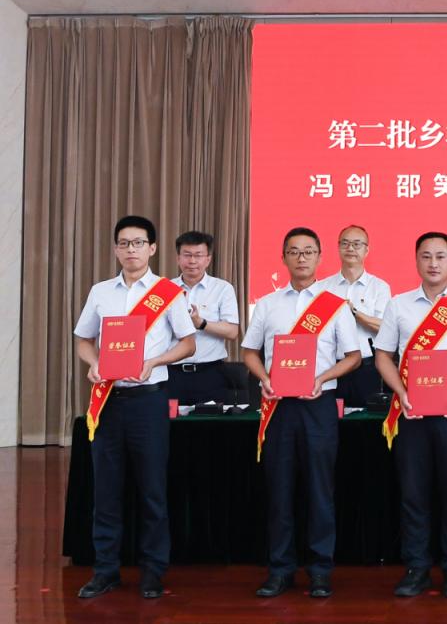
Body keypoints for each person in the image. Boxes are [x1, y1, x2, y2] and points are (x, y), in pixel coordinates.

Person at [73, 215, 197, 600]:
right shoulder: (100, 292)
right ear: (115, 249)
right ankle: (105, 570)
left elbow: (188, 343)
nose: (131, 250)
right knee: (106, 490)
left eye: (139, 243)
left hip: (148, 402)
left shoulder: (167, 293)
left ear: (152, 248)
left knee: (152, 490)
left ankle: (153, 572)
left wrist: (154, 361)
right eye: (124, 243)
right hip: (109, 401)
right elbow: (83, 340)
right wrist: (94, 363)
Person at [241, 227, 362, 599]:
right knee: (279, 490)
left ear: (320, 257)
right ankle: (280, 570)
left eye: (308, 251)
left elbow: (354, 357)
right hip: (279, 406)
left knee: (319, 490)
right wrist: (264, 378)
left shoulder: (334, 305)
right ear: (283, 258)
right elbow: (249, 352)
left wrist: (323, 378)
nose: (301, 258)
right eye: (294, 251)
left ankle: (320, 570)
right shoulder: (268, 305)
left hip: (318, 405)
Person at [375, 232, 447, 598]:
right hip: (411, 410)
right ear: (416, 260)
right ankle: (417, 566)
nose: (433, 263)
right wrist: (401, 392)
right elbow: (383, 356)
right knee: (414, 492)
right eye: (426, 256)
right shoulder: (398, 305)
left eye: (440, 256)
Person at [168, 231, 240, 406]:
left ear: (208, 259)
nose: (192, 261)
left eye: (198, 255)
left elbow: (232, 332)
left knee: (211, 423)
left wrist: (201, 323)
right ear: (178, 258)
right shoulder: (164, 289)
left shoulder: (222, 288)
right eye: (187, 255)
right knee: (170, 422)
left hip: (210, 374)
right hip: (171, 374)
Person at [324, 225, 392, 407]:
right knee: (332, 418)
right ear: (338, 247)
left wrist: (354, 313)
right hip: (332, 367)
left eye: (357, 244)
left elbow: (385, 327)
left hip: (367, 368)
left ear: (366, 250)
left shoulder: (379, 287)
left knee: (367, 419)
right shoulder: (323, 287)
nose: (350, 248)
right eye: (345, 243)